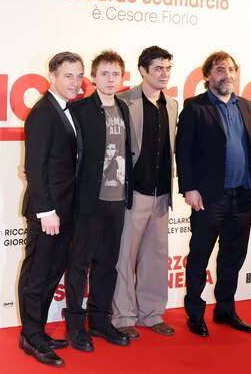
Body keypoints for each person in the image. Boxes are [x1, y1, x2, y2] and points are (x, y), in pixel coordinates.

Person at [176, 51, 251, 337]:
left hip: (242, 195)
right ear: (207, 77)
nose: (226, 74)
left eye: (230, 69)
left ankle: (225, 310)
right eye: (219, 70)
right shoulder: (194, 107)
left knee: (233, 256)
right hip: (209, 198)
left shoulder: (246, 106)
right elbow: (184, 152)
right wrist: (189, 188)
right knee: (200, 255)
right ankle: (195, 313)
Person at [17, 51, 84, 368]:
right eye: (68, 75)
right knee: (37, 276)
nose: (75, 81)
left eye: (79, 75)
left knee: (50, 273)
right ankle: (31, 337)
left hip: (65, 210)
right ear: (52, 77)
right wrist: (46, 212)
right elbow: (35, 166)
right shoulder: (43, 113)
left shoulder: (68, 110)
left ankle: (36, 331)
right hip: (48, 213)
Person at [65, 50, 133, 351]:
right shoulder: (79, 110)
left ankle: (100, 320)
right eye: (104, 73)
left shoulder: (123, 108)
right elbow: (67, 155)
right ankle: (75, 326)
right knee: (79, 265)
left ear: (122, 77)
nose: (109, 79)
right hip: (88, 202)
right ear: (93, 77)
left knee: (108, 264)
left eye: (115, 74)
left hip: (117, 201)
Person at [112, 46, 178, 339]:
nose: (164, 74)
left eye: (167, 68)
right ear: (142, 71)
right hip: (133, 194)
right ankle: (123, 315)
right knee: (124, 257)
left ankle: (152, 314)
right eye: (158, 68)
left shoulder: (173, 105)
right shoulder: (124, 101)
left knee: (155, 257)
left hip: (162, 194)